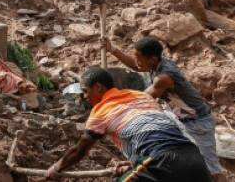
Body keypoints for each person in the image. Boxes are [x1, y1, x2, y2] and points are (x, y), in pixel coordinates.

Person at [45, 67, 211, 181]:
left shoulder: (101, 111)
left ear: (98, 87)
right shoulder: (140, 96)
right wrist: (136, 162)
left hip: (162, 160)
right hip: (195, 159)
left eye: (86, 91)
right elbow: (153, 131)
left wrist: (57, 169)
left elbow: (80, 150)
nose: (85, 97)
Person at [101, 37, 224, 182]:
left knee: (212, 171)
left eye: (139, 58)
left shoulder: (165, 76)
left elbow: (143, 99)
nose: (138, 62)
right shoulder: (154, 64)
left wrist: (111, 103)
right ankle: (141, 162)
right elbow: (136, 66)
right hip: (176, 118)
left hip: (198, 123)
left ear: (152, 59)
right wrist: (113, 50)